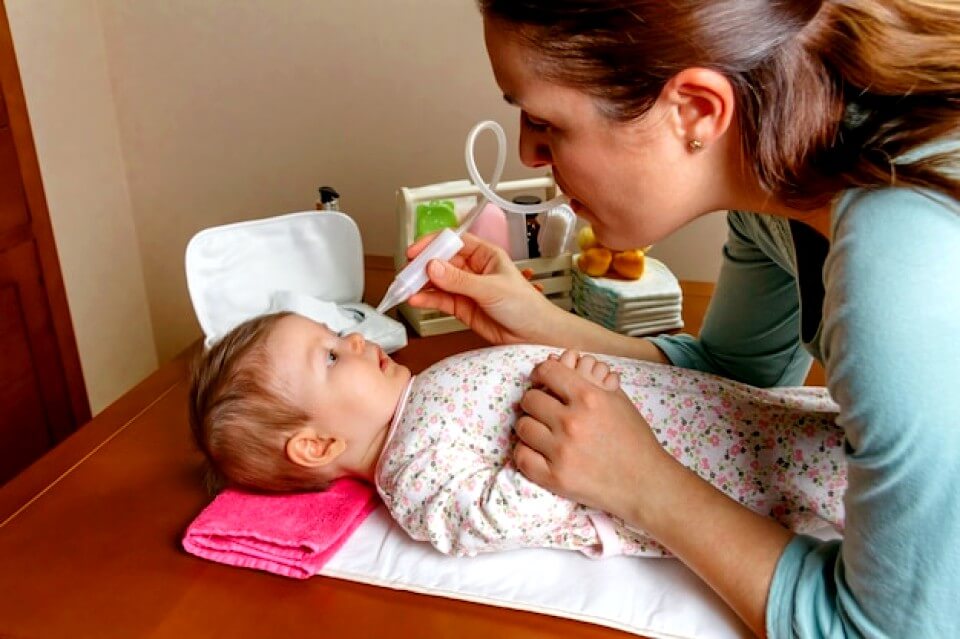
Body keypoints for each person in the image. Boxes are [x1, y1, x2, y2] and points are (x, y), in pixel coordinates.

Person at [402, 1, 960, 636]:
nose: (530, 152)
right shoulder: (777, 188)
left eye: (546, 120)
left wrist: (644, 486)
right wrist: (538, 323)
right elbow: (736, 372)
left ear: (695, 110)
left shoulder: (907, 275)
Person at [188, 311, 845, 558]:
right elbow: (489, 518)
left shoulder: (417, 398)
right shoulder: (411, 471)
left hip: (703, 410)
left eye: (337, 333)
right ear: (317, 444)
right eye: (331, 356)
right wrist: (569, 432)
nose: (356, 339)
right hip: (697, 465)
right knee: (823, 473)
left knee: (806, 423)